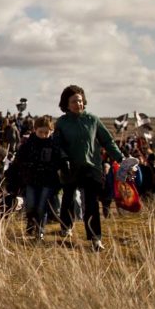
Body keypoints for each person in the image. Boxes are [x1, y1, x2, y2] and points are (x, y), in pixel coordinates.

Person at [52, 85, 123, 252]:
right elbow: (57, 145)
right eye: (73, 101)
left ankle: (95, 238)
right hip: (70, 167)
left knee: (91, 204)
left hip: (91, 167)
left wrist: (121, 158)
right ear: (66, 104)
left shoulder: (93, 120)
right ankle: (66, 227)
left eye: (80, 100)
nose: (78, 104)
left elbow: (107, 141)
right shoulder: (62, 123)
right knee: (68, 199)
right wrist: (63, 159)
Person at [8, 115, 63, 241]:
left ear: (51, 131)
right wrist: (15, 176)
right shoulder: (28, 145)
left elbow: (59, 162)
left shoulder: (54, 146)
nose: (43, 135)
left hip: (48, 181)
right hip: (31, 180)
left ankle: (40, 231)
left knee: (42, 206)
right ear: (35, 130)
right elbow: (18, 162)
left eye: (46, 132)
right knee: (31, 205)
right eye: (40, 132)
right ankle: (31, 222)